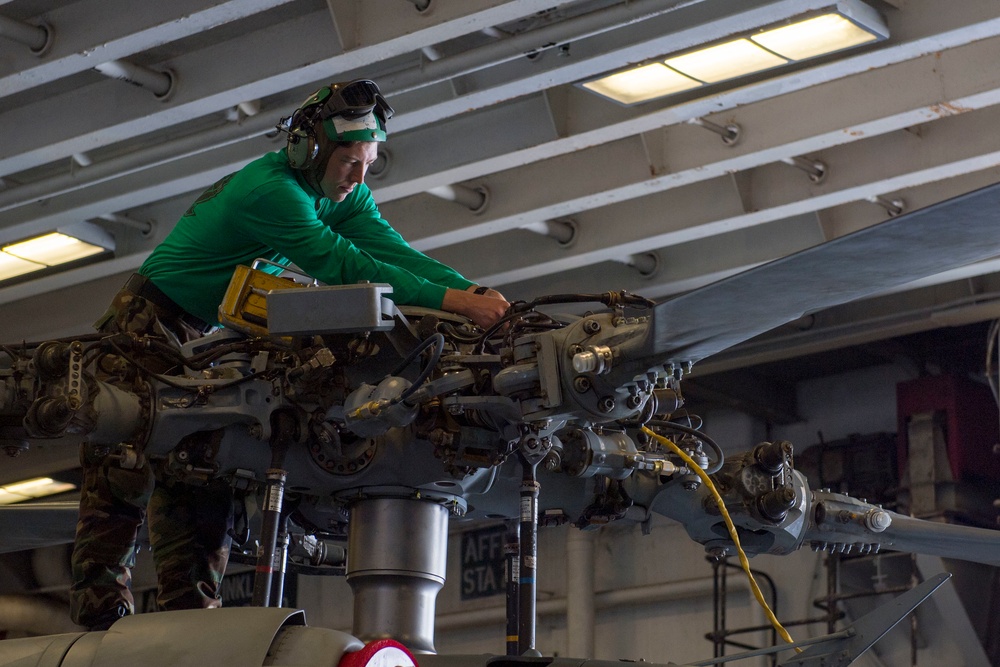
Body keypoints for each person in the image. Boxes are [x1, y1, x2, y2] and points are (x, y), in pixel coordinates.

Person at [70, 78, 510, 630]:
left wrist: (470, 295)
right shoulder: (270, 191)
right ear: (311, 150)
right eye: (350, 162)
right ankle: (99, 617)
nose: (359, 177)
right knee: (125, 461)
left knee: (202, 465)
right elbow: (344, 266)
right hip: (150, 324)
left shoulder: (339, 193)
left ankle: (189, 621)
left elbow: (392, 251)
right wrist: (454, 303)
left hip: (213, 339)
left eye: (369, 163)